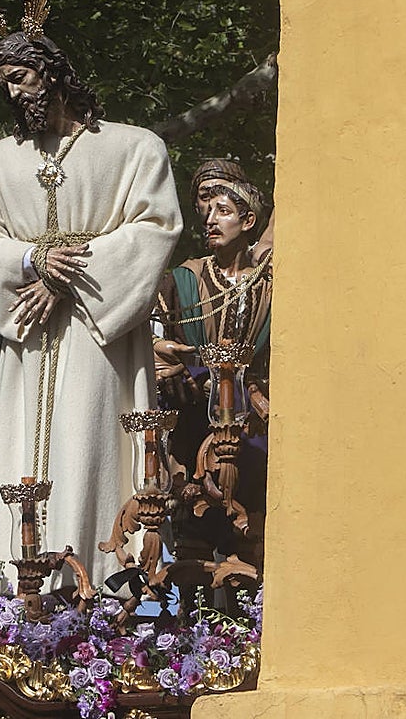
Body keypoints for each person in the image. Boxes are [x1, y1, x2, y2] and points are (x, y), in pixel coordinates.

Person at [0, 0, 183, 587]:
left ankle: (97, 586)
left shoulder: (134, 147)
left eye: (22, 77)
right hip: (28, 334)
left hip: (98, 334)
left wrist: (71, 280)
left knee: (89, 443)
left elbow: (156, 225)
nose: (15, 93)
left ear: (53, 72)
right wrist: (32, 262)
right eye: (5, 85)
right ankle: (10, 596)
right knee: (20, 449)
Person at [154, 180, 271, 568]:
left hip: (255, 417)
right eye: (207, 212)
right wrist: (164, 354)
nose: (210, 220)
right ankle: (190, 618)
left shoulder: (271, 283)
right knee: (194, 522)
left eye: (223, 212)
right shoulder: (184, 279)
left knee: (251, 527)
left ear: (249, 220)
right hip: (194, 413)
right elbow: (157, 335)